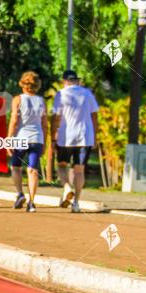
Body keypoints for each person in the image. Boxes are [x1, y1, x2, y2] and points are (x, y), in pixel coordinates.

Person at [51, 69, 99, 213]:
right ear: (77, 80)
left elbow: (56, 117)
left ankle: (66, 188)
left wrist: (53, 137)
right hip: (85, 137)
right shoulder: (88, 94)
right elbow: (94, 116)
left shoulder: (61, 94)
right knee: (79, 170)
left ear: (64, 81)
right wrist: (95, 137)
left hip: (66, 137)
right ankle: (76, 203)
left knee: (61, 165)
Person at [7, 71, 49, 213]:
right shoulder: (42, 101)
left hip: (21, 138)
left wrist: (9, 138)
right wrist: (45, 142)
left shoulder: (18, 99)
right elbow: (45, 124)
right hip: (37, 138)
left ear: (23, 84)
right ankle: (31, 202)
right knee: (33, 170)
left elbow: (14, 120)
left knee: (16, 167)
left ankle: (20, 194)